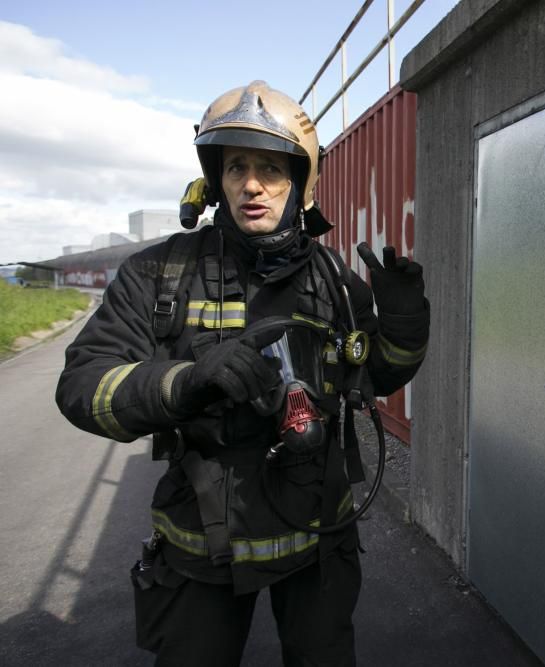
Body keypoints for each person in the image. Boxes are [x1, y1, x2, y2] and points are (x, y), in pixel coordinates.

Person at [55, 80, 429, 666]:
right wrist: (184, 381)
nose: (251, 184)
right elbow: (82, 388)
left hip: (319, 542)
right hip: (200, 548)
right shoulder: (160, 274)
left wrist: (405, 320)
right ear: (215, 180)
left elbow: (378, 376)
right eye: (236, 168)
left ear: (301, 184)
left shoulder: (333, 277)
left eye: (271, 169)